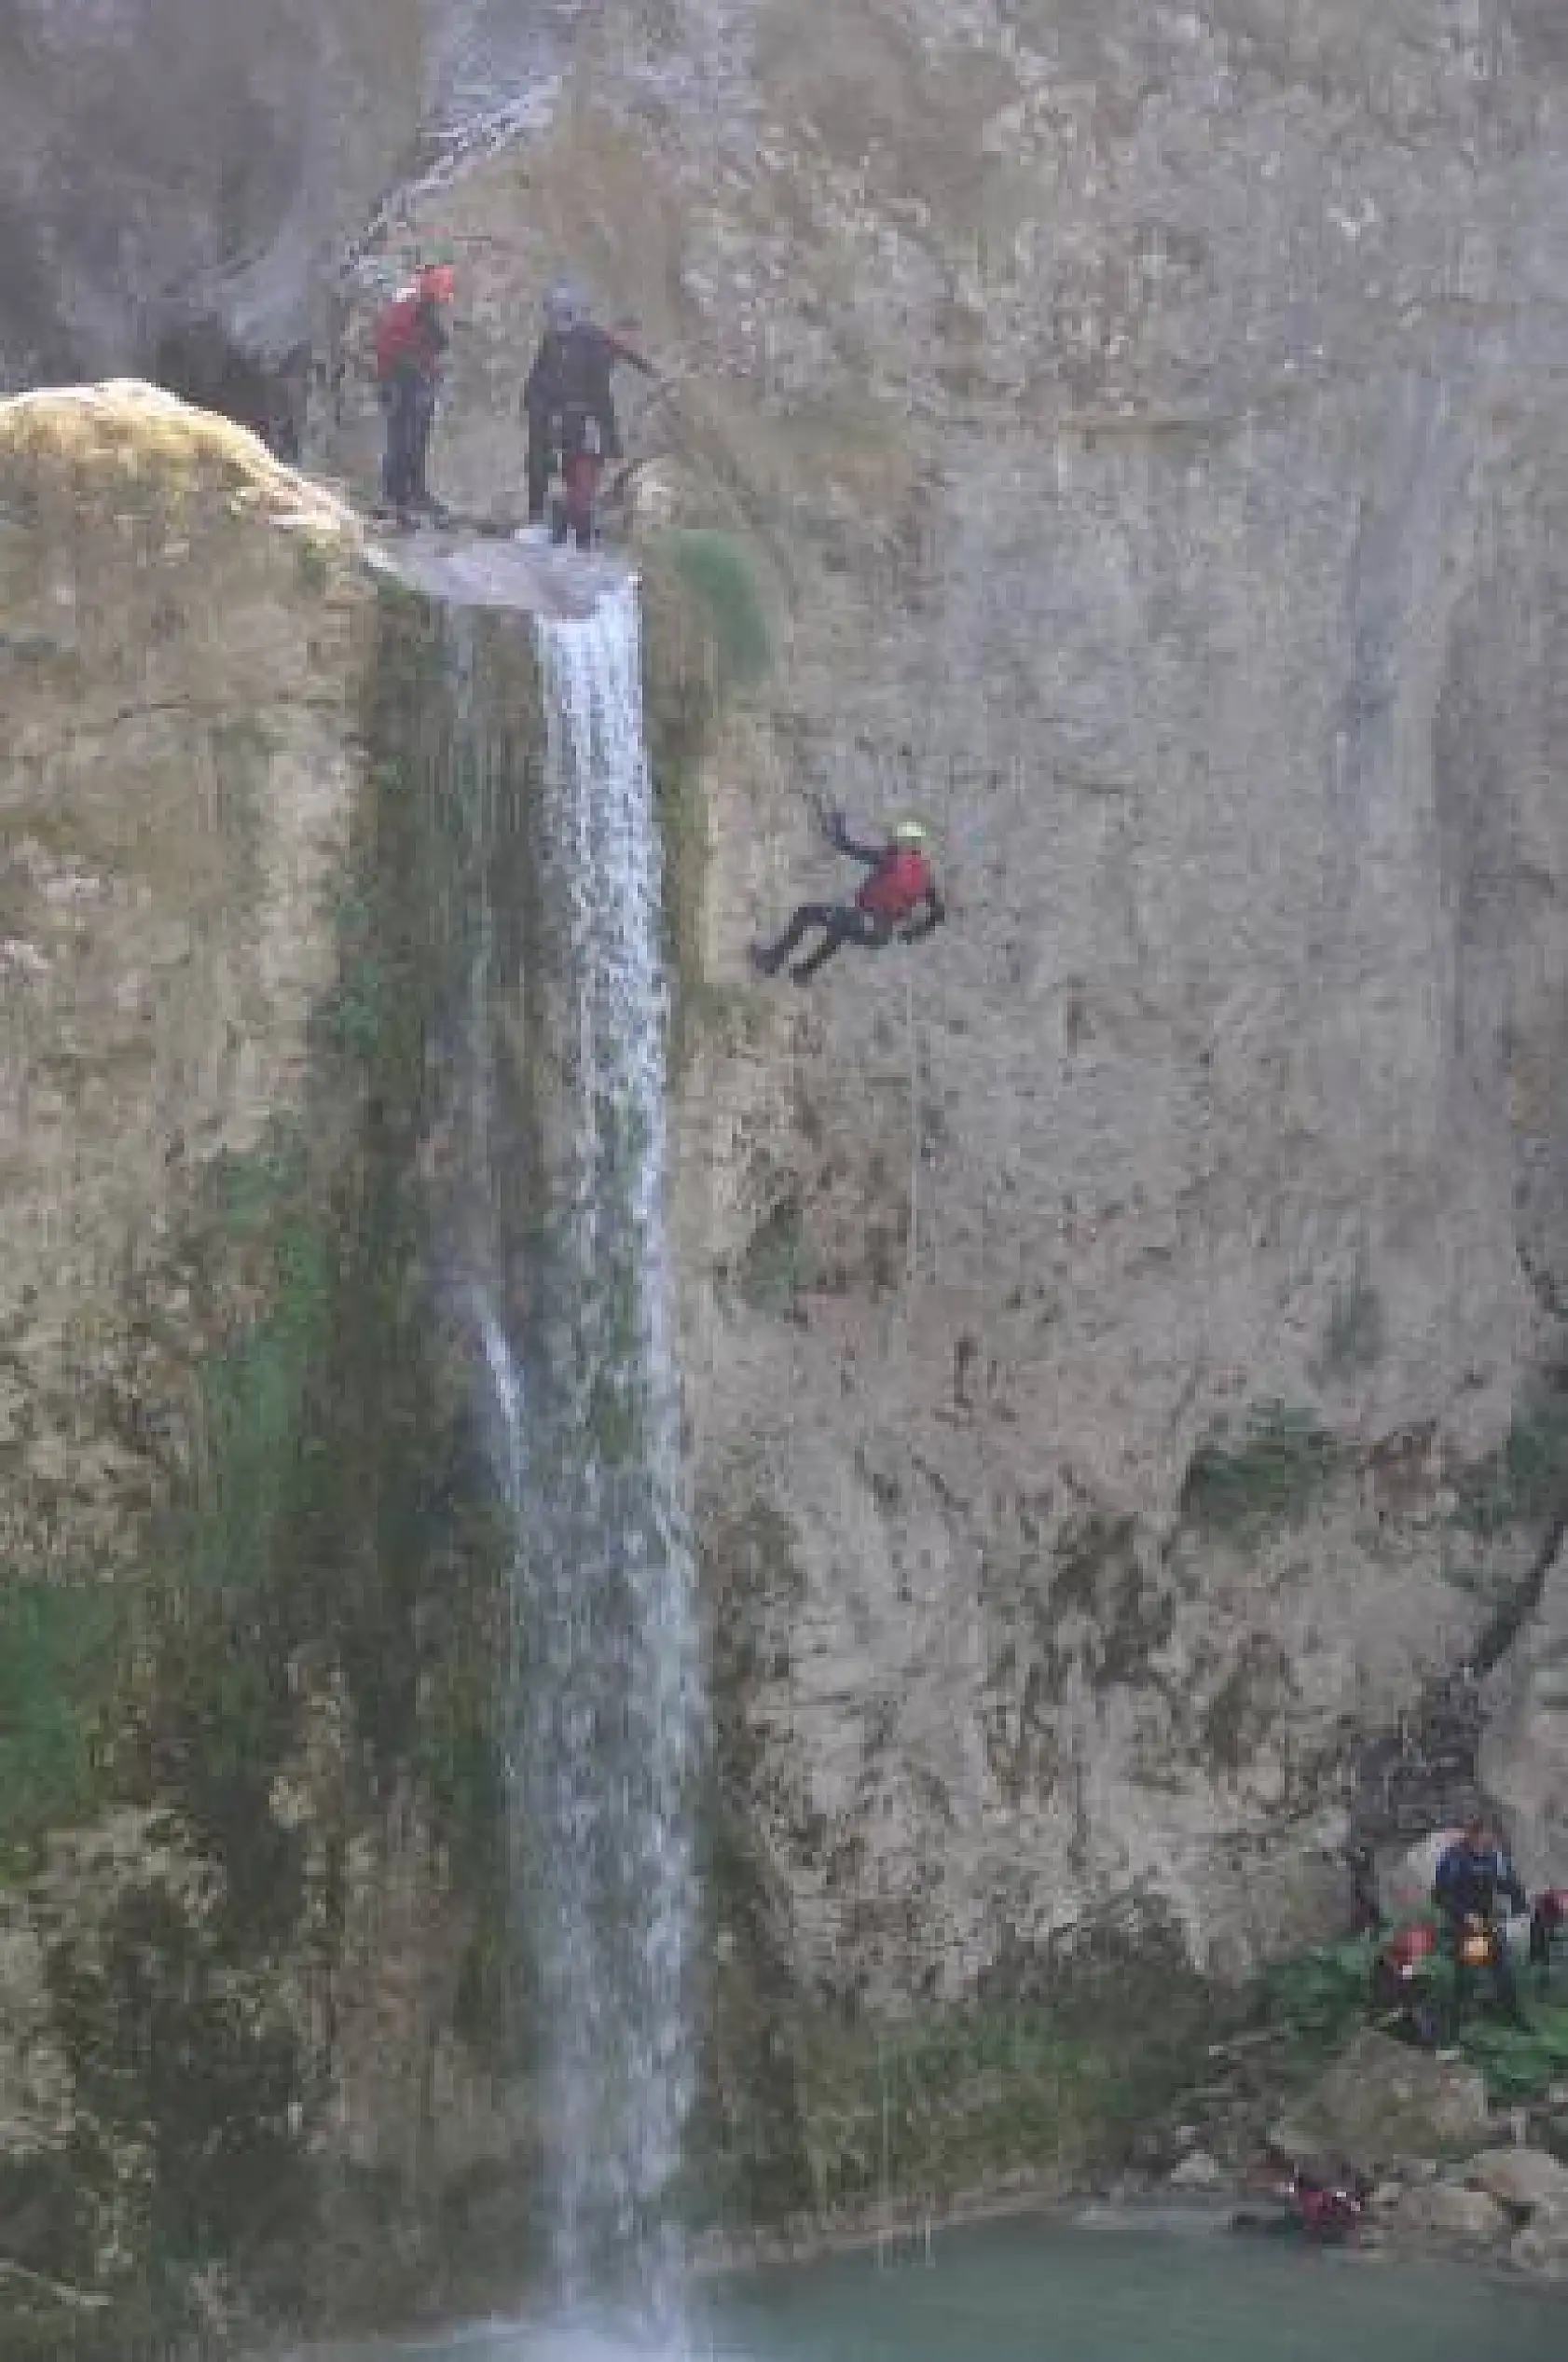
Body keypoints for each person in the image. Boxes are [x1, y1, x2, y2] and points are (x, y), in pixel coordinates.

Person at [751, 811, 946, 985]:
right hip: (880, 934)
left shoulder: (891, 860)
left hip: (863, 921)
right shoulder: (925, 877)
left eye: (895, 838)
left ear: (905, 843)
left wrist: (837, 824)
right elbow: (938, 912)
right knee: (839, 930)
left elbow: (845, 845)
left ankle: (772, 961)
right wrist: (916, 932)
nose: (890, 840)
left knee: (807, 914)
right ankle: (804, 973)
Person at [522, 280, 656, 529]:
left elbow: (604, 383)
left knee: (576, 474)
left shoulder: (586, 340)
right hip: (565, 420)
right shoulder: (561, 341)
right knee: (561, 470)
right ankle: (554, 518)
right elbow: (539, 382)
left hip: (576, 420)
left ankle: (564, 518)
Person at [374, 264, 455, 527]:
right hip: (402, 379)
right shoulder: (410, 303)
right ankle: (396, 500)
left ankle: (413, 494)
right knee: (402, 441)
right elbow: (392, 343)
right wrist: (416, 367)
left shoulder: (418, 303)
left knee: (415, 440)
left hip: (413, 378)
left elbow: (431, 341)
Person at [1432, 1816, 1530, 2028]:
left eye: (1492, 1837)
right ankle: (1457, 2021)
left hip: (1487, 1921)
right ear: (1473, 1834)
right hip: (1464, 1923)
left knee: (1503, 1969)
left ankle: (1512, 2016)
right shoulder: (1455, 1857)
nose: (1489, 1841)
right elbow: (1440, 1894)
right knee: (1469, 1971)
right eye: (1486, 1836)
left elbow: (1510, 1884)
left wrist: (1521, 1907)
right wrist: (1465, 1915)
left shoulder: (1494, 1857)